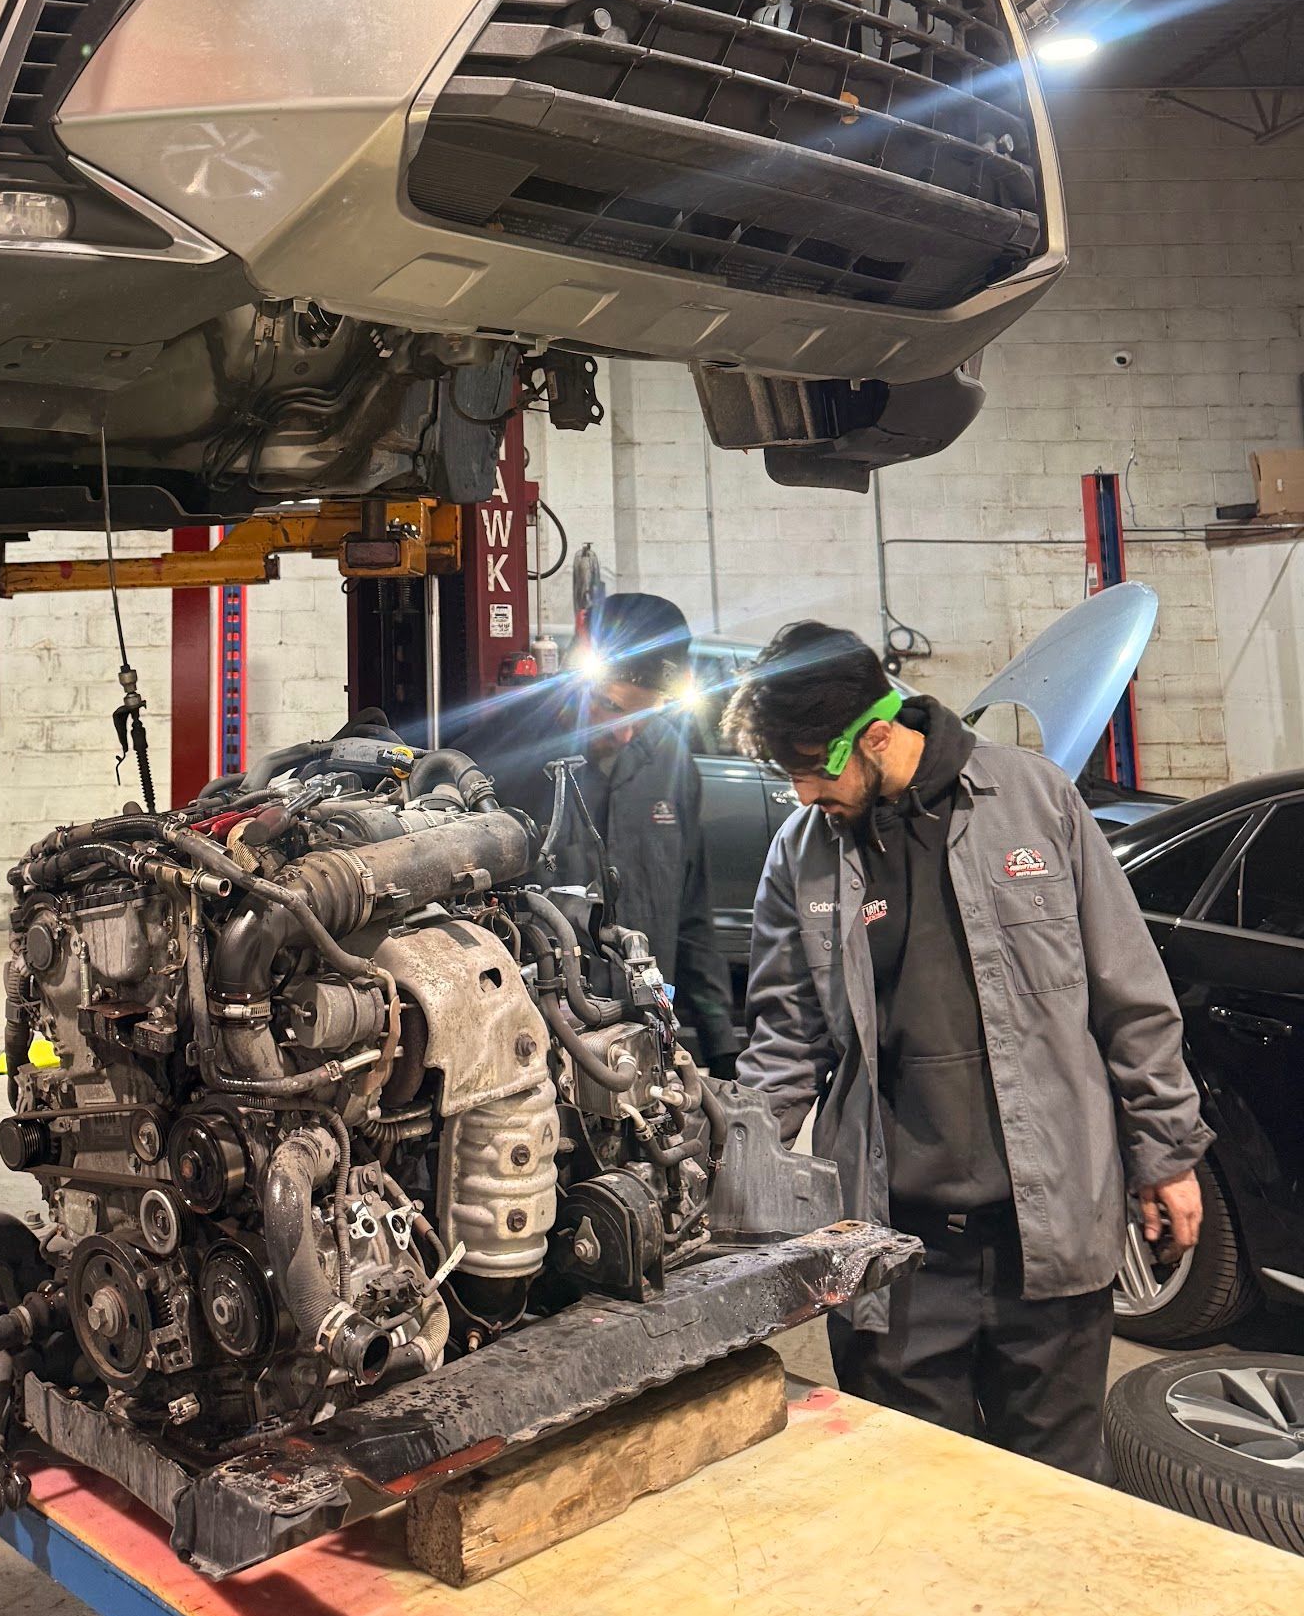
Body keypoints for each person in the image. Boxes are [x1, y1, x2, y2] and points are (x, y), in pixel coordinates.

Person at [725, 620, 1209, 1480]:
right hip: (895, 1248)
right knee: (912, 1494)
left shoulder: (1035, 801)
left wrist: (1166, 1154)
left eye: (812, 767)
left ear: (875, 734)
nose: (801, 794)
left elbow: (1129, 995)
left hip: (1048, 1231)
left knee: (1059, 1487)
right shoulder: (799, 859)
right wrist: (723, 1189)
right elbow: (785, 1044)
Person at [476, 592, 740, 1073]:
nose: (623, 733)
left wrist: (721, 1044)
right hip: (535, 1042)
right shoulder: (506, 752)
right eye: (608, 706)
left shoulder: (670, 759)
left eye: (644, 714)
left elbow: (692, 914)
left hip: (640, 1038)